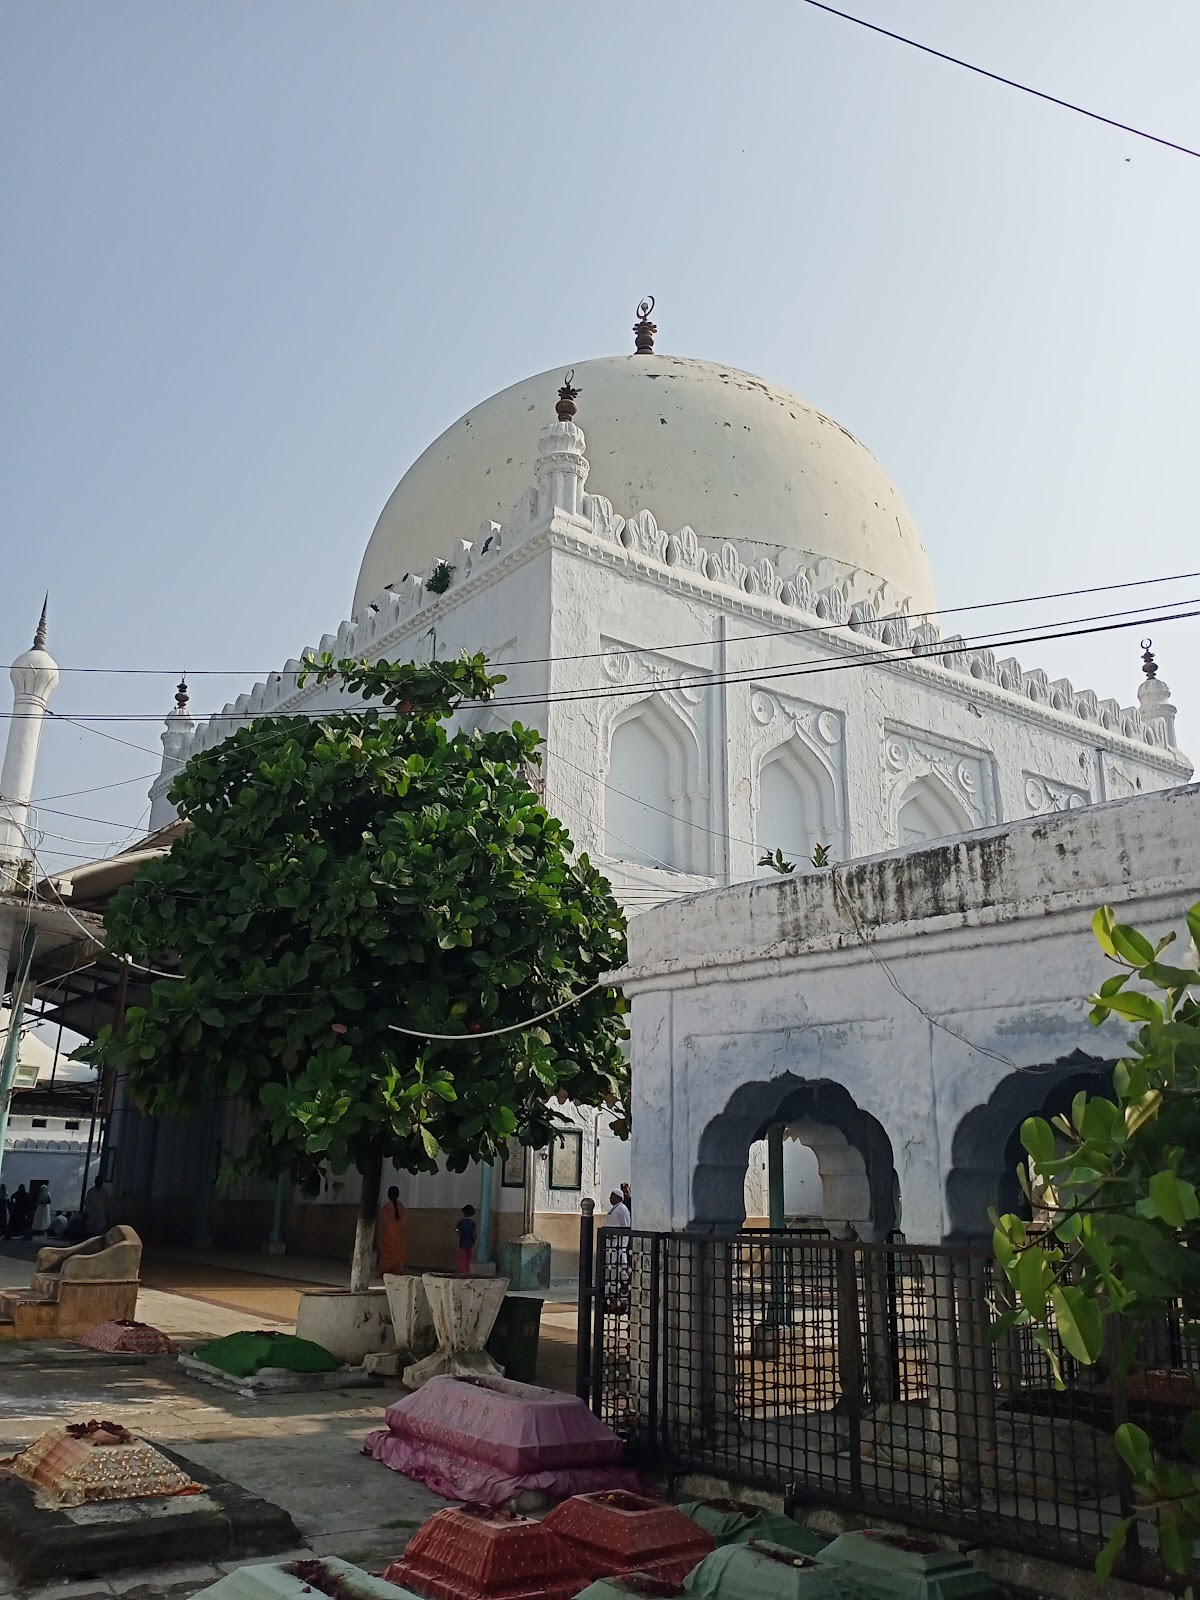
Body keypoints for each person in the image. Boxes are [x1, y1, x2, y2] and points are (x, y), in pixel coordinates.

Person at [602, 1190, 631, 1312]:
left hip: (619, 1243)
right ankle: (612, 1291)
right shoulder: (615, 1209)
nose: (609, 1198)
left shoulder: (622, 1209)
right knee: (612, 1267)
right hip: (612, 1243)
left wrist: (619, 1238)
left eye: (612, 1196)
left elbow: (626, 1226)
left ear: (618, 1197)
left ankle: (623, 1283)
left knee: (619, 1265)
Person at [378, 1184, 407, 1276]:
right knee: (398, 1252)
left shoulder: (387, 1206)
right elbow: (403, 1220)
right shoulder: (400, 1206)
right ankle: (398, 1270)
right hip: (399, 1236)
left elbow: (385, 1222)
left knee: (387, 1253)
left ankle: (385, 1271)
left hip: (388, 1235)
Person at [455, 1204, 477, 1275]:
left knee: (463, 1258)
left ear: (463, 1212)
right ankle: (468, 1272)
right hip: (470, 1243)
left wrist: (457, 1230)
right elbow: (474, 1234)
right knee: (468, 1259)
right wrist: (473, 1240)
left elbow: (458, 1232)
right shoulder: (473, 1223)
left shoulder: (460, 1223)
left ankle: (463, 1272)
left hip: (463, 1243)